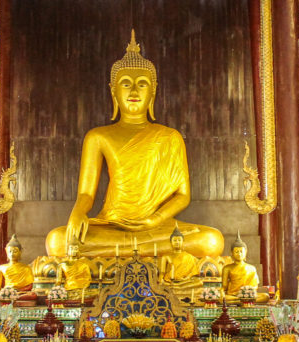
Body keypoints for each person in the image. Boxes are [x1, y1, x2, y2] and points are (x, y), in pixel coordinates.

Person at [44, 31, 223, 258]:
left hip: (157, 228)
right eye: (126, 84)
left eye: (142, 84)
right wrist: (77, 213)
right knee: (57, 240)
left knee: (211, 240)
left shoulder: (170, 137)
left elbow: (182, 195)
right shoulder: (98, 137)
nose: (135, 91)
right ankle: (142, 253)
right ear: (114, 91)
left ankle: (117, 256)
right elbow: (86, 193)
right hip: (112, 225)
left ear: (153, 91)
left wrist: (153, 220)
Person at [0, 235, 37, 302]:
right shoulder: (1, 268)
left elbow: (30, 286)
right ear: (6, 252)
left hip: (20, 293)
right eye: (10, 251)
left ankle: (11, 297)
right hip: (7, 292)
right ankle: (10, 297)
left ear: (20, 252)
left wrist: (16, 291)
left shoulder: (26, 268)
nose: (12, 254)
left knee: (33, 295)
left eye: (15, 251)